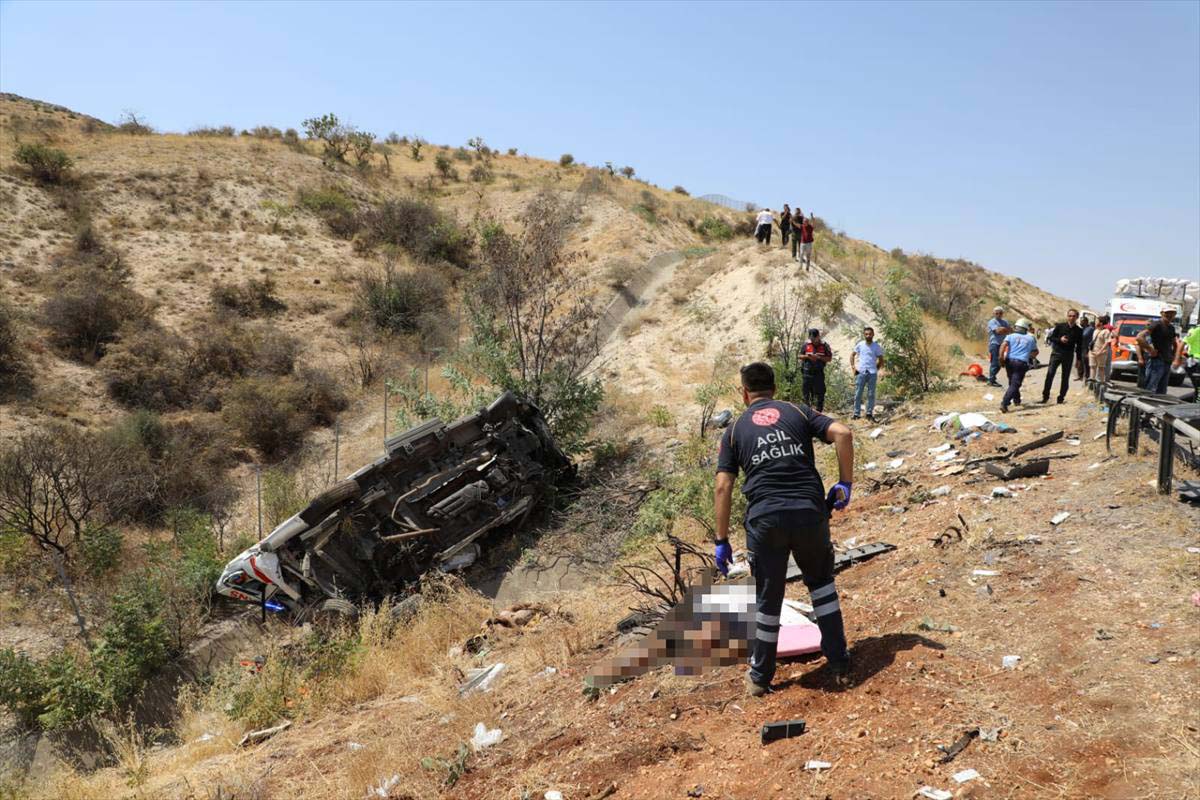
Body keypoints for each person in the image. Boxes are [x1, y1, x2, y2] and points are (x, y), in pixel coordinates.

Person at [713, 362, 854, 696]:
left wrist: (721, 540)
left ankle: (760, 678)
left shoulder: (734, 431)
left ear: (744, 392)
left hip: (766, 521)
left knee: (768, 599)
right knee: (821, 586)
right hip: (809, 512)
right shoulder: (797, 411)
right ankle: (839, 662)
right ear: (774, 388)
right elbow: (844, 433)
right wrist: (845, 483)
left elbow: (723, 486)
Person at [1136, 307, 1184, 394]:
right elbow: (1139, 337)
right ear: (1161, 313)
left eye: (1172, 313)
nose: (1169, 315)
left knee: (1162, 390)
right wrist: (1150, 349)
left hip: (1167, 361)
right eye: (1167, 313)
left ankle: (1158, 407)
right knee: (1150, 388)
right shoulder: (1156, 324)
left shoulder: (1171, 328)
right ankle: (1143, 406)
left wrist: (1173, 356)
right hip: (1156, 361)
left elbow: (1174, 343)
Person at [1041, 309, 1083, 404]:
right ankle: (1045, 396)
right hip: (1056, 353)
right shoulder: (1060, 326)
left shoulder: (1079, 330)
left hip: (1068, 355)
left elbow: (1079, 346)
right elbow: (1050, 338)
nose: (1071, 317)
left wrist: (1079, 360)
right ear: (1067, 316)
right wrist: (1060, 339)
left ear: (1077, 317)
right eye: (1070, 315)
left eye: (1074, 316)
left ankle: (1061, 398)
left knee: (1065, 377)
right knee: (1050, 375)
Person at [999, 318, 1038, 413]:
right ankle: (1005, 403)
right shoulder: (1030, 338)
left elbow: (1003, 346)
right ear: (1025, 328)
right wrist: (1029, 356)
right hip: (1021, 363)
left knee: (1012, 382)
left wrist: (1001, 359)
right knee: (1015, 384)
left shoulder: (1010, 336)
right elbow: (1035, 352)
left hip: (1009, 361)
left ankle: (1017, 400)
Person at [850, 327, 884, 421]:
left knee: (871, 394)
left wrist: (876, 369)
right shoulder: (860, 345)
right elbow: (852, 355)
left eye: (870, 334)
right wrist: (853, 367)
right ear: (864, 335)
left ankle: (869, 413)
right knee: (858, 393)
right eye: (866, 334)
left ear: (873, 334)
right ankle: (856, 414)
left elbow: (881, 359)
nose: (868, 335)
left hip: (872, 373)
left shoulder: (876, 346)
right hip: (861, 372)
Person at [800, 328, 833, 411]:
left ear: (818, 336)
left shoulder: (824, 345)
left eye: (815, 338)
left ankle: (819, 411)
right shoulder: (806, 345)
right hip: (807, 373)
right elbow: (800, 356)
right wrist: (808, 356)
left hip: (818, 373)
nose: (813, 340)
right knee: (806, 393)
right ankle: (807, 411)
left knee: (820, 393)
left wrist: (819, 357)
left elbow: (829, 358)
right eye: (811, 338)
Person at [985, 307, 1012, 387]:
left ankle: (992, 378)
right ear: (993, 313)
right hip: (995, 344)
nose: (998, 314)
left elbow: (1010, 330)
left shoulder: (1005, 322)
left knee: (1001, 362)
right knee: (994, 362)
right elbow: (998, 331)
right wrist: (1004, 329)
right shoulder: (992, 322)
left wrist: (1003, 329)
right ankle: (991, 380)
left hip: (1003, 345)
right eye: (996, 313)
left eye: (1000, 313)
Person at [1089, 314, 1114, 384]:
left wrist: (1100, 351)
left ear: (1101, 323)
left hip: (1102, 353)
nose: (1095, 322)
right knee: (1092, 366)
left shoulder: (1106, 331)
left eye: (1097, 321)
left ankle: (1101, 383)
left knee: (1101, 368)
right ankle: (1092, 380)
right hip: (1093, 352)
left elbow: (1106, 343)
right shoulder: (1095, 330)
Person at [1076, 316, 1094, 380]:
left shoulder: (1090, 329)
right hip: (1080, 347)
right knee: (1079, 362)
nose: (1080, 322)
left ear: (1086, 321)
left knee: (1086, 363)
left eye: (1082, 321)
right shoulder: (1081, 329)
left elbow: (1092, 339)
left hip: (1086, 348)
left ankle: (1087, 376)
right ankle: (1080, 376)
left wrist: (1089, 349)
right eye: (1080, 321)